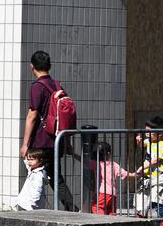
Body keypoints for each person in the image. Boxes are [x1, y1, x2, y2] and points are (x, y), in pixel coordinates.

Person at [20, 51, 76, 211]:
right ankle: (71, 208)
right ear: (49, 66)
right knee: (54, 177)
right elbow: (65, 118)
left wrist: (25, 144)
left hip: (41, 141)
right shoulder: (57, 85)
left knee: (37, 174)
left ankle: (32, 207)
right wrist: (68, 142)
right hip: (56, 139)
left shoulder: (37, 87)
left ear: (32, 67)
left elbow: (32, 115)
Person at [135, 116, 163, 220]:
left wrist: (142, 167)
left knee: (157, 201)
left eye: (150, 132)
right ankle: (141, 222)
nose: (147, 134)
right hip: (147, 177)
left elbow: (155, 160)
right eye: (146, 131)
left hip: (159, 177)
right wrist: (139, 141)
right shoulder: (149, 141)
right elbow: (141, 146)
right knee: (141, 202)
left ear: (159, 134)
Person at [86, 142, 134, 215]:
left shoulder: (97, 164)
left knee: (97, 207)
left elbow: (84, 161)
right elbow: (125, 173)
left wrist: (74, 154)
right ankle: (111, 225)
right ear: (109, 154)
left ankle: (100, 224)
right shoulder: (114, 164)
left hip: (101, 192)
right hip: (113, 194)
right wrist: (135, 174)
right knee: (111, 212)